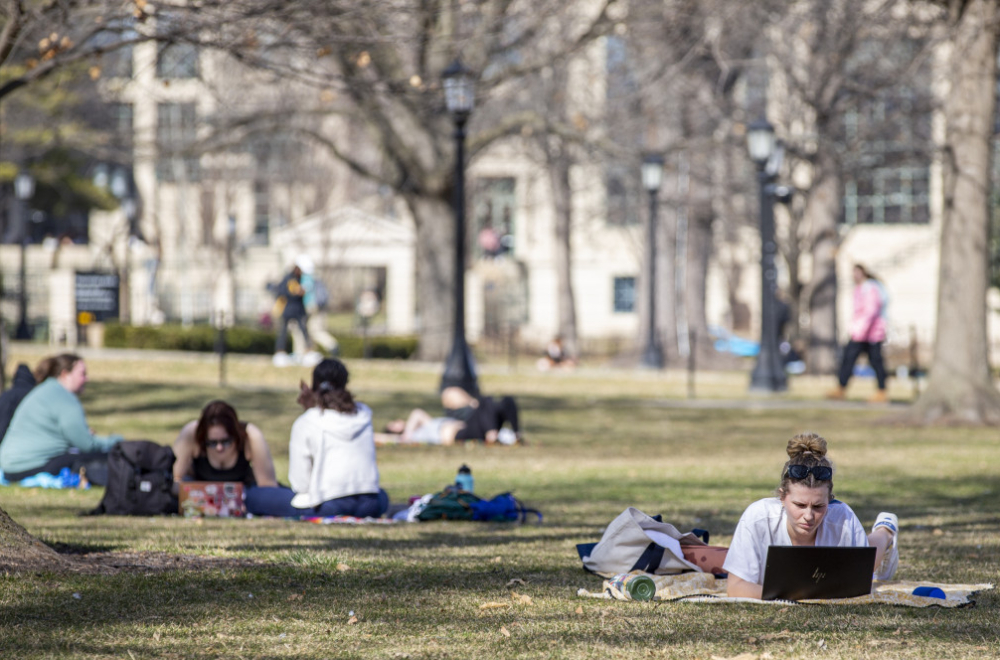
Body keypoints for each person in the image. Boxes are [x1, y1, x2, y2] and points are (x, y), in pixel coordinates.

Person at [723, 432, 899, 599]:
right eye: (799, 505)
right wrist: (798, 594)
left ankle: (885, 532)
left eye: (818, 506)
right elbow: (736, 587)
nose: (809, 516)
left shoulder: (843, 518)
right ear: (782, 497)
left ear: (830, 500)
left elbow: (858, 580)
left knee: (868, 564)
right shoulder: (757, 518)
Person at [244, 358, 389, 518]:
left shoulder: (307, 421)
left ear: (313, 386)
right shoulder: (364, 413)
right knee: (383, 495)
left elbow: (300, 485)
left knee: (255, 496)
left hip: (328, 505)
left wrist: (310, 410)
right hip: (371, 503)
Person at [0, 354, 122, 486]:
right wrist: (115, 442)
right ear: (65, 374)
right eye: (82, 374)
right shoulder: (65, 398)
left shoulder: (44, 390)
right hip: (27, 467)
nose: (87, 378)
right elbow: (87, 445)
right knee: (107, 456)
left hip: (9, 466)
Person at [172, 400, 278, 489]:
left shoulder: (250, 435)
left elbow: (267, 486)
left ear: (236, 437)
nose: (219, 448)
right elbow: (173, 479)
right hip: (198, 493)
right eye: (212, 443)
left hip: (245, 494)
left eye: (226, 442)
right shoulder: (192, 433)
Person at [827, 264, 889, 403]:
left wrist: (860, 329)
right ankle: (841, 388)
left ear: (864, 273)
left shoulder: (870, 288)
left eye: (857, 272)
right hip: (861, 332)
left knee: (876, 362)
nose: (854, 275)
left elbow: (871, 311)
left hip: (871, 333)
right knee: (848, 360)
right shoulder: (859, 288)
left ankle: (882, 391)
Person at [441, 386, 523, 445]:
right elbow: (447, 435)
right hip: (473, 428)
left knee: (507, 400)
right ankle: (491, 434)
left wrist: (473, 403)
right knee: (486, 401)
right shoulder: (451, 417)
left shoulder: (476, 405)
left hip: (487, 421)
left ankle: (516, 434)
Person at [272, 258, 314, 367]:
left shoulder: (301, 279)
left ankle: (308, 351)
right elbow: (281, 291)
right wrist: (295, 292)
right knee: (283, 332)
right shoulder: (288, 278)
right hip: (288, 309)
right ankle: (280, 352)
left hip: (299, 309)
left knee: (304, 330)